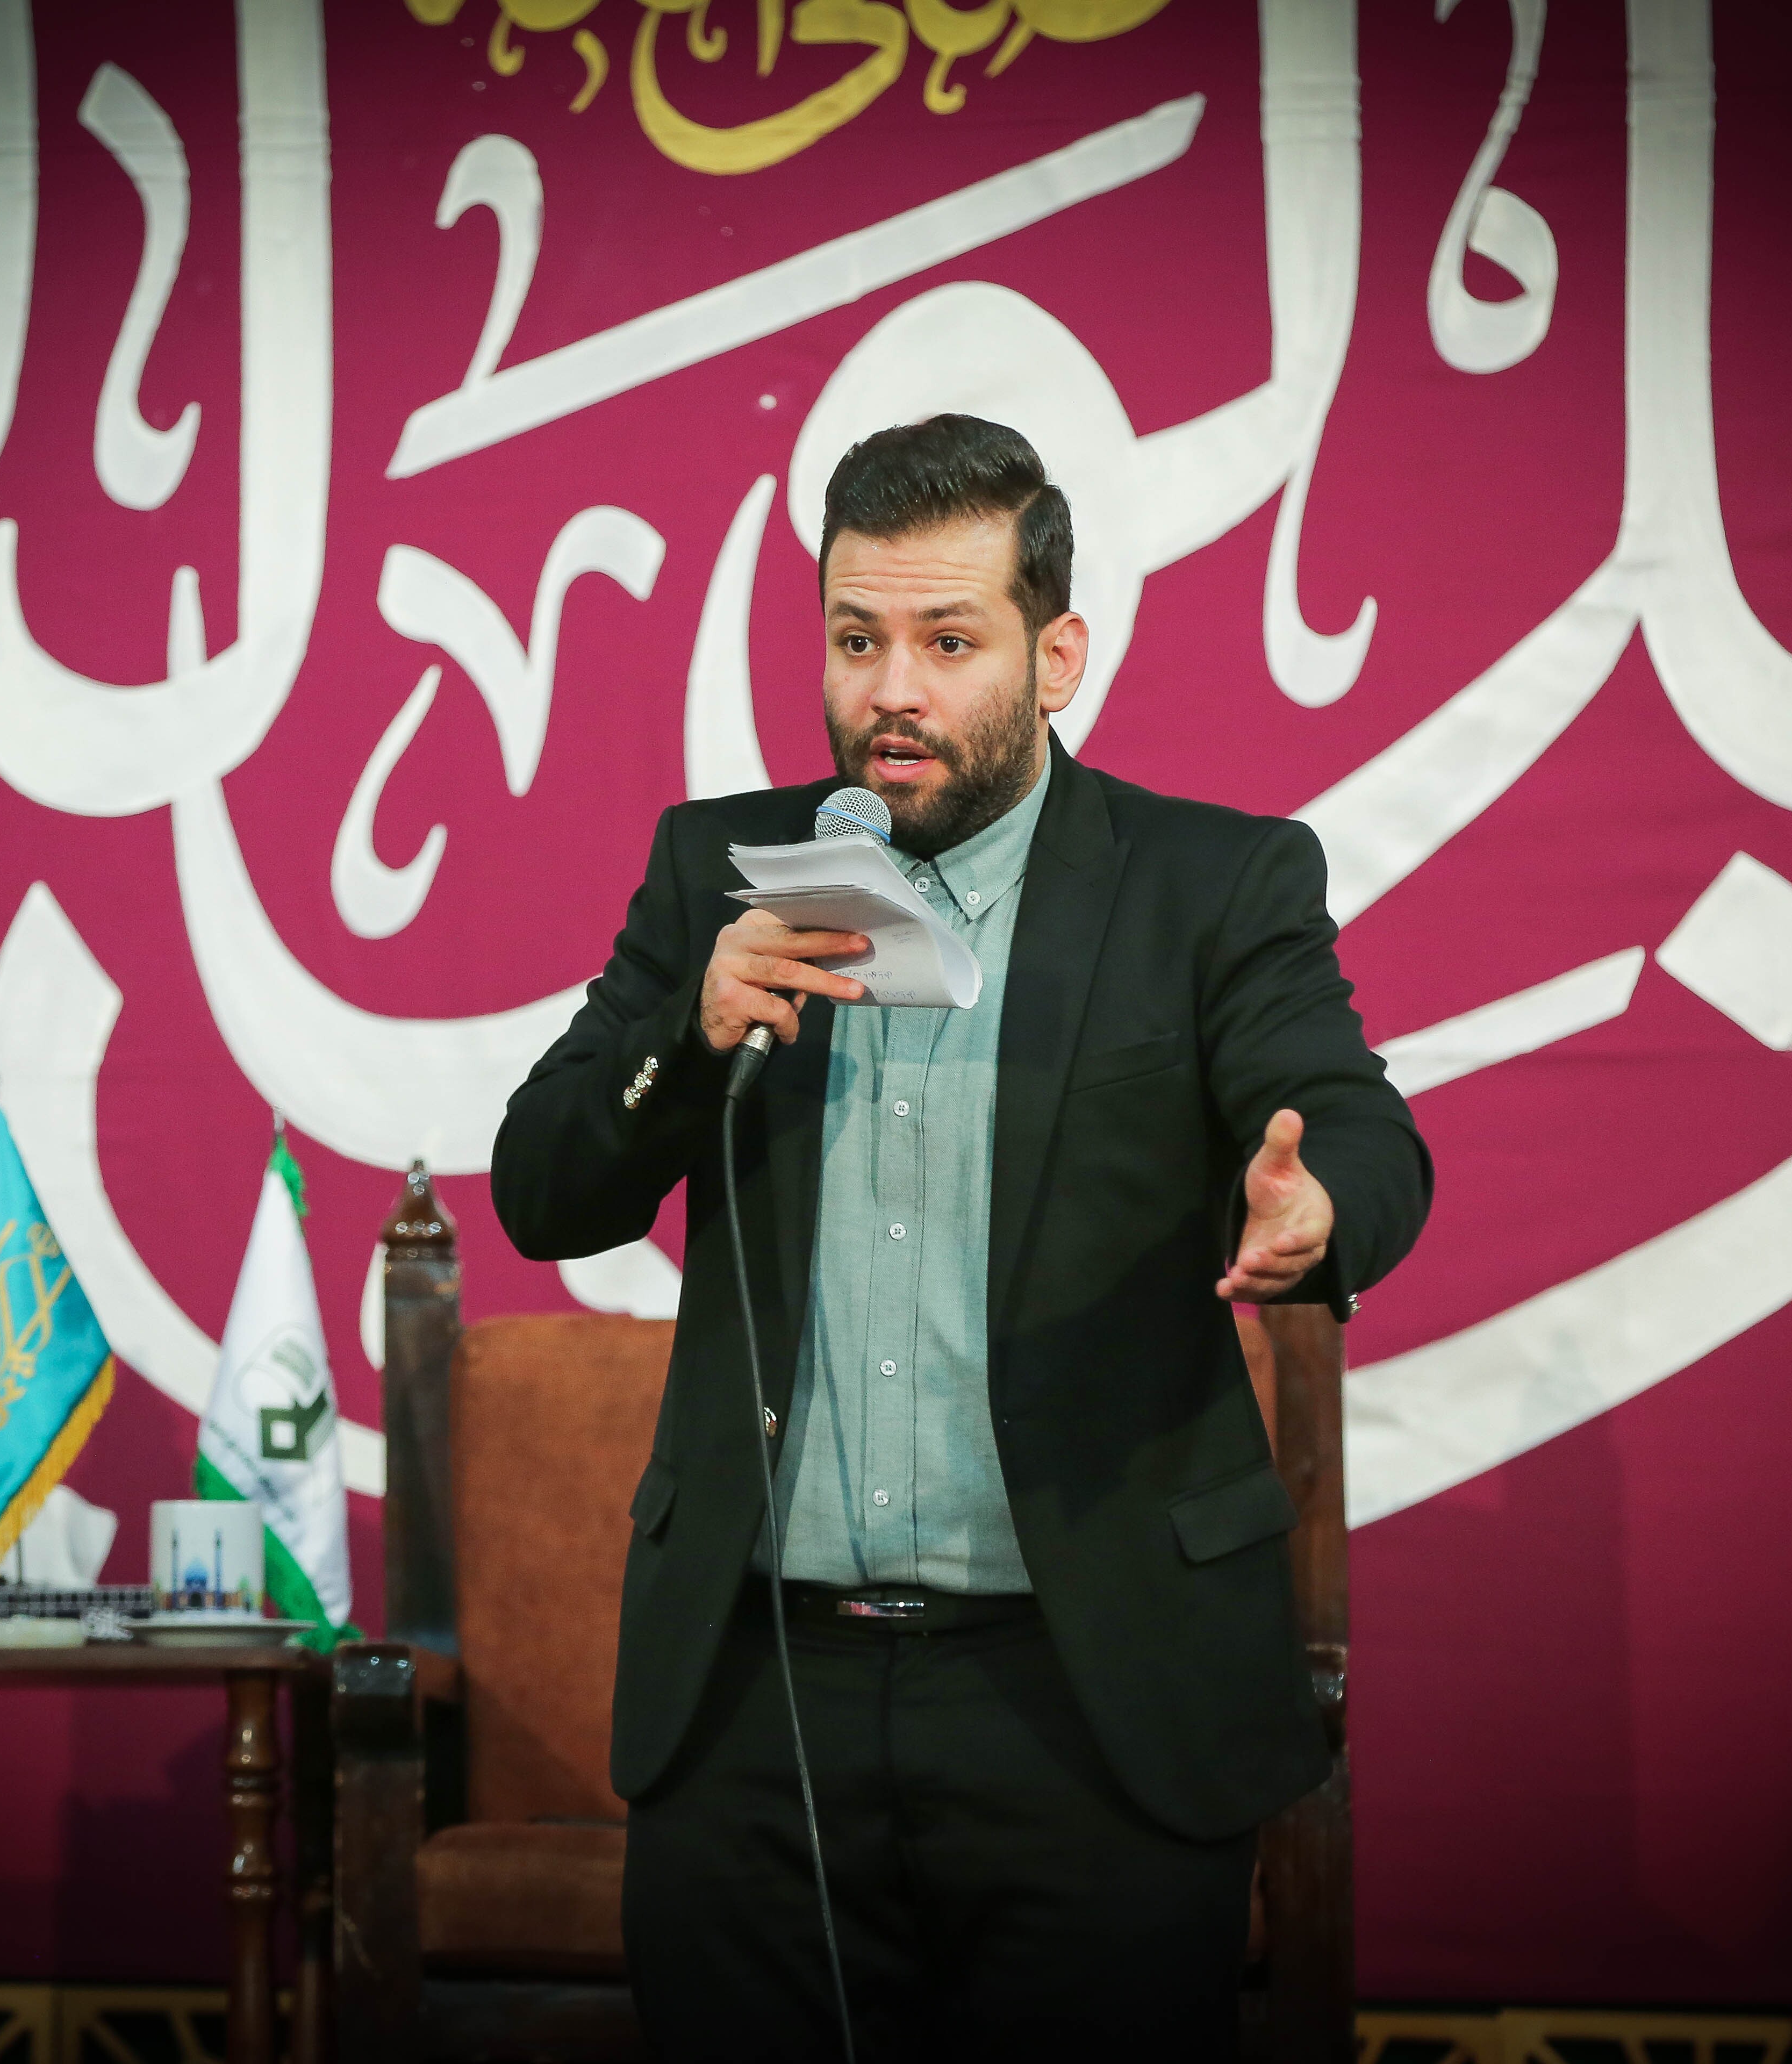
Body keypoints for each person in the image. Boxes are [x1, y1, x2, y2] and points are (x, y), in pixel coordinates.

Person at [491, 414, 1431, 2059]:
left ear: (1057, 657)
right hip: (758, 1705)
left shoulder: (1208, 885)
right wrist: (686, 1037)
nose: (891, 693)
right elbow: (541, 1189)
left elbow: (1355, 1126)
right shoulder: (724, 871)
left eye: (948, 642)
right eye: (856, 640)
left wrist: (1318, 1206)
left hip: (1087, 1698)